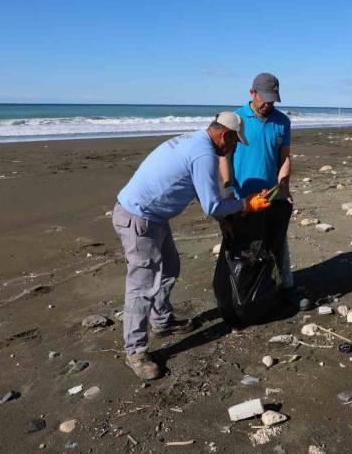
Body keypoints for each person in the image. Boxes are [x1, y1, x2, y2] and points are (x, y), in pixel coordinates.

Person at [113, 112, 271, 380]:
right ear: (225, 135)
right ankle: (135, 351)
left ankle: (162, 322)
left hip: (153, 217)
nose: (232, 149)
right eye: (234, 143)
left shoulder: (196, 141)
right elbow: (210, 204)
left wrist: (223, 221)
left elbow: (201, 190)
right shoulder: (204, 154)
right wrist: (246, 204)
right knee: (141, 287)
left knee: (170, 268)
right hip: (139, 220)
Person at [219, 72, 314, 311]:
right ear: (252, 92)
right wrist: (228, 188)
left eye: (273, 100)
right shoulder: (236, 118)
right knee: (241, 248)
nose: (268, 105)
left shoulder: (282, 121)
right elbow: (224, 157)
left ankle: (286, 287)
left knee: (277, 243)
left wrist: (285, 184)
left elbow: (284, 158)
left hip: (270, 196)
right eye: (265, 99)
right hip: (241, 199)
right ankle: (239, 295)